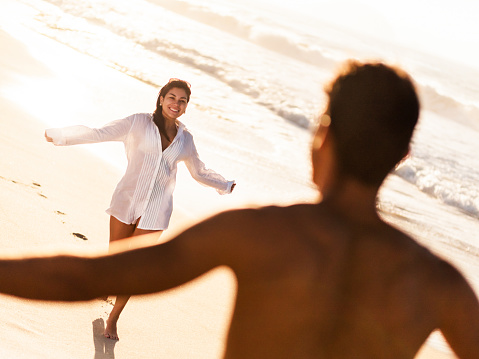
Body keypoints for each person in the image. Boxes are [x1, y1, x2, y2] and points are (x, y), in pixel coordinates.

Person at [2, 61, 479, 358]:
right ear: (403, 157)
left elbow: (80, 277)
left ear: (322, 138)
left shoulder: (257, 233)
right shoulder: (441, 284)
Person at [44, 78, 236, 340]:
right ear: (161, 98)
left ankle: (113, 319)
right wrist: (61, 134)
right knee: (116, 260)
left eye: (182, 100)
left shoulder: (185, 139)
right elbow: (100, 133)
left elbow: (198, 171)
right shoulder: (137, 122)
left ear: (187, 106)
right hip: (127, 199)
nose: (176, 104)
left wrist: (224, 184)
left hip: (157, 210)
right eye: (172, 97)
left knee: (133, 267)